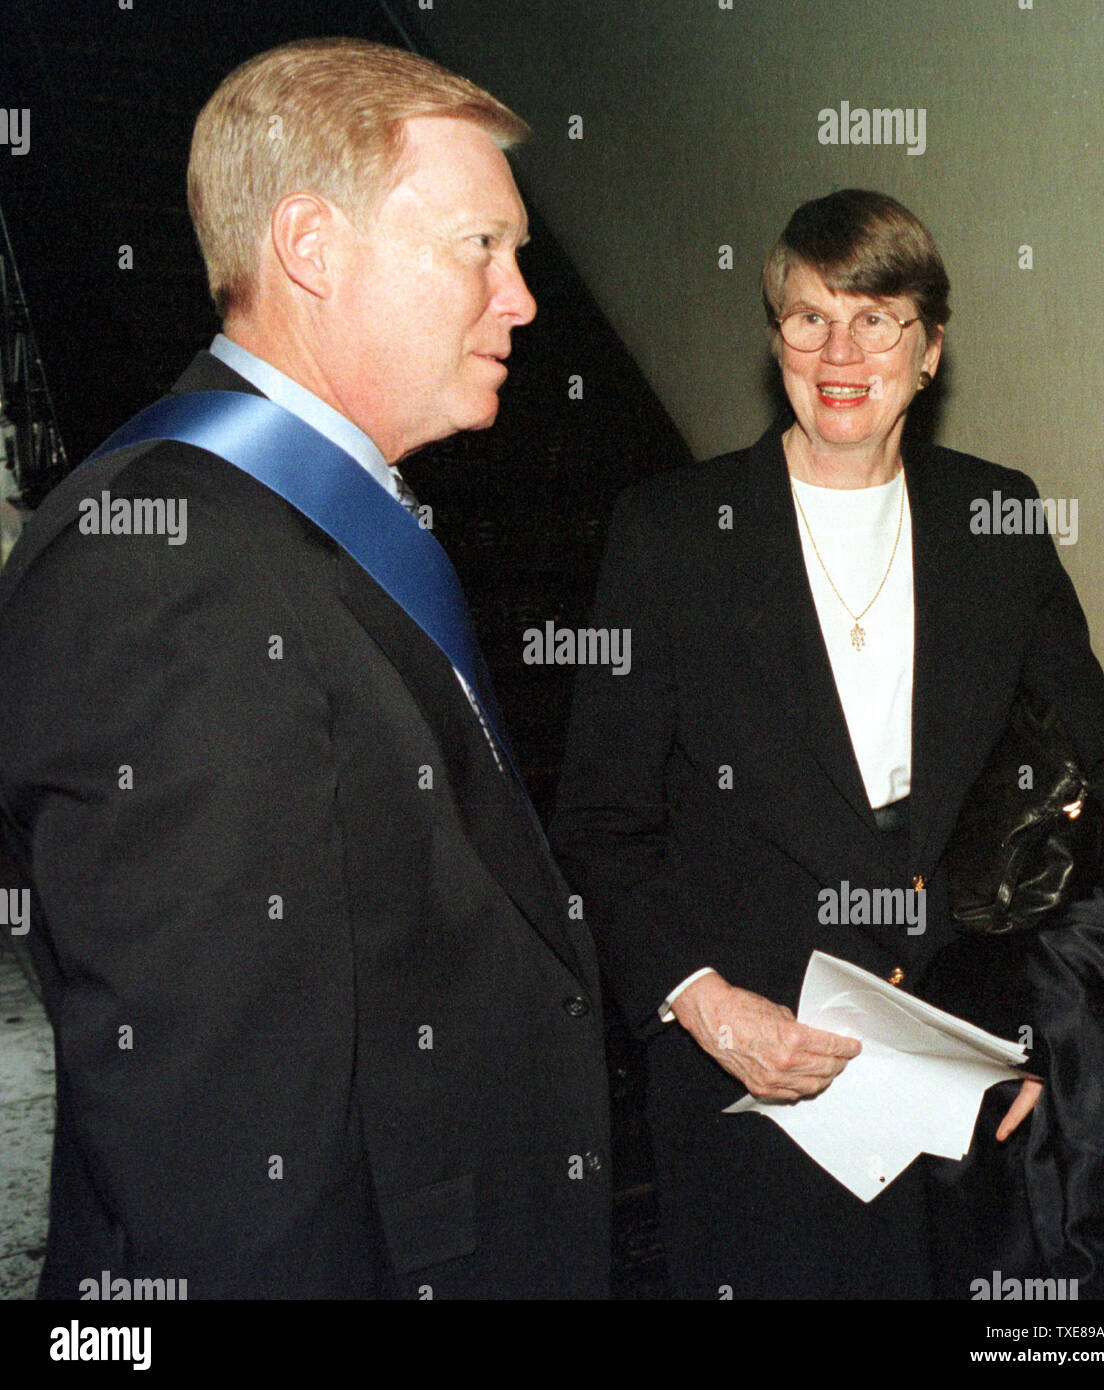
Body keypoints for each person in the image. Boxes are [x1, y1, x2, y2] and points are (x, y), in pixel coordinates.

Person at [0, 37, 610, 1300]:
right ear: (312, 248)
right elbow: (223, 1158)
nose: (523, 300)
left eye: (521, 257)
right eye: (478, 249)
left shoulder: (302, 523)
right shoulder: (164, 569)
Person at [550, 188, 1104, 1299]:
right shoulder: (671, 532)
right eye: (808, 316)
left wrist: (1049, 1015)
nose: (841, 351)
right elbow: (600, 820)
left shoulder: (997, 519)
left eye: (877, 319)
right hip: (762, 1071)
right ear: (774, 334)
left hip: (974, 1073)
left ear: (929, 351)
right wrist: (704, 1000)